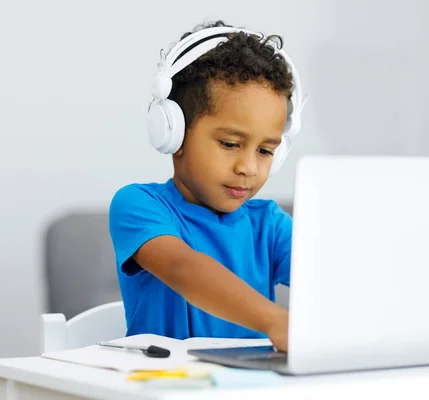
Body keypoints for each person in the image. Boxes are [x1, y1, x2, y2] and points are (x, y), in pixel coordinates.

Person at [108, 20, 304, 352]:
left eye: (265, 151)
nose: (248, 167)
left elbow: (331, 278)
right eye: (229, 144)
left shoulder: (269, 225)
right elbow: (184, 268)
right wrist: (275, 321)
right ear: (173, 132)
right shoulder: (138, 205)